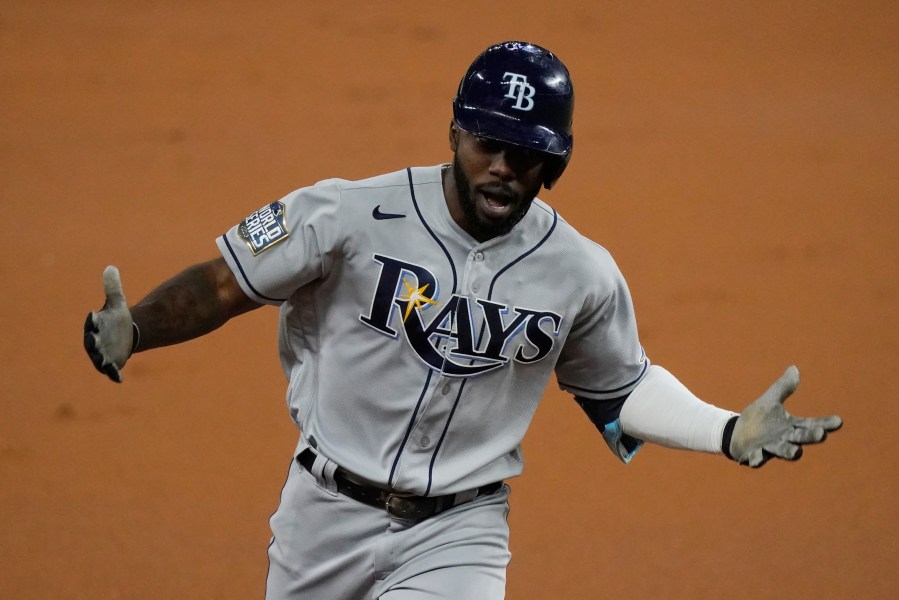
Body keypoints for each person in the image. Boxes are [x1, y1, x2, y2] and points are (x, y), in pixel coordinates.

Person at [83, 41, 842, 599]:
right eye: (487, 144)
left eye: (524, 152)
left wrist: (725, 430)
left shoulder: (579, 272)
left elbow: (617, 388)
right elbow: (226, 284)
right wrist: (139, 326)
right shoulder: (345, 213)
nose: (502, 168)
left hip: (459, 531)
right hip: (322, 515)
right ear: (454, 134)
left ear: (555, 161)